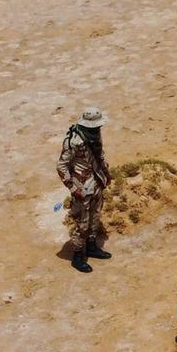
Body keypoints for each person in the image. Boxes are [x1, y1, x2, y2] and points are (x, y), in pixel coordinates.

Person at [57, 108, 112, 274]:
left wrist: (106, 173)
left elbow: (99, 155)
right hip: (82, 188)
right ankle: (78, 255)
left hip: (96, 182)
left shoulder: (95, 136)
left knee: (95, 216)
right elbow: (62, 166)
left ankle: (92, 246)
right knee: (82, 222)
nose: (97, 130)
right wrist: (73, 188)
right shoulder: (73, 142)